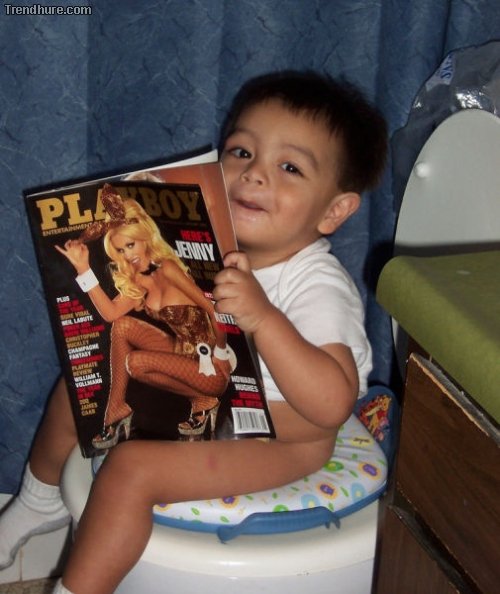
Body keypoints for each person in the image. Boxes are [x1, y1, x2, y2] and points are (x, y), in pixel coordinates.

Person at [0, 70, 387, 593]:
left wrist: (263, 318)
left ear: (334, 211)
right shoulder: (198, 246)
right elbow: (120, 316)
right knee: (82, 384)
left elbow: (330, 406)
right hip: (209, 391)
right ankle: (37, 501)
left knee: (131, 470)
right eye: (241, 152)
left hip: (283, 437)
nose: (254, 174)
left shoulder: (316, 283)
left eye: (290, 167)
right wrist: (90, 267)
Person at [56, 186, 231, 446]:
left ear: (144, 236)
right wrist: (83, 269)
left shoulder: (168, 268)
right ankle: (116, 409)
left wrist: (221, 353)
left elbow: (213, 309)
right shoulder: (138, 279)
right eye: (121, 250)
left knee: (136, 362)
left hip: (210, 368)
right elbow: (110, 314)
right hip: (182, 356)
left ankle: (204, 399)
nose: (128, 255)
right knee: (121, 326)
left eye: (130, 245)